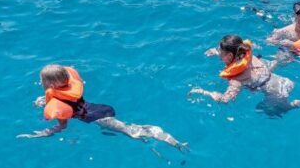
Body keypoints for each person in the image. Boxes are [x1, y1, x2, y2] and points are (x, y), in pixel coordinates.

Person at [17, 64, 188, 151]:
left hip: (97, 118)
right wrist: (44, 100)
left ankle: (167, 139)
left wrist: (45, 133)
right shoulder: (70, 85)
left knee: (132, 132)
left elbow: (62, 125)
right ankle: (160, 136)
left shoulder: (59, 104)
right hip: (98, 108)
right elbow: (64, 97)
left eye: (44, 81)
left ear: (52, 84)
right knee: (126, 129)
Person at [190, 35, 300, 114]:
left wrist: (207, 93)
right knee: (271, 63)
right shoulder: (247, 54)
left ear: (230, 55)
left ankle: (298, 104)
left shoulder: (236, 78)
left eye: (221, 53)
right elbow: (234, 52)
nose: (220, 56)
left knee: (265, 111)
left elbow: (226, 100)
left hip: (277, 95)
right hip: (283, 81)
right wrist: (216, 51)